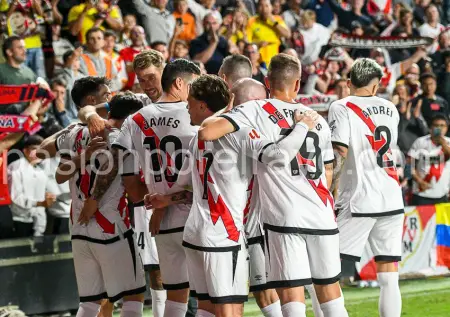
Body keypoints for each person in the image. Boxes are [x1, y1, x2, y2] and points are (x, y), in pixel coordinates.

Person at [198, 53, 348, 317]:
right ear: (298, 84)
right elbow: (328, 170)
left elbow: (208, 130)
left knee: (292, 295)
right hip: (322, 213)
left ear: (267, 82)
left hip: (284, 214)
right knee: (330, 292)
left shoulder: (253, 110)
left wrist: (228, 107)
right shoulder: (318, 120)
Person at [85, 59, 201, 317]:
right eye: (141, 78)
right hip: (193, 212)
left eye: (150, 77)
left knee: (175, 291)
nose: (146, 83)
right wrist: (91, 114)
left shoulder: (137, 116)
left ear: (166, 73)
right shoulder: (198, 112)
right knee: (209, 295)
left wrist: (154, 201)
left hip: (159, 210)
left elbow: (117, 160)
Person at [54, 92, 146, 317]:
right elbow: (134, 193)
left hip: (79, 229)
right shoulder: (124, 139)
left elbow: (58, 175)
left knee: (89, 302)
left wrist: (84, 155)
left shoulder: (74, 133)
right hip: (111, 228)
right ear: (132, 117)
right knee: (133, 297)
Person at [328, 58, 404, 317]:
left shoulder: (341, 106)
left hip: (359, 199)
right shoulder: (390, 108)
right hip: (392, 197)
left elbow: (339, 151)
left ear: (349, 83)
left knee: (327, 272)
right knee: (389, 275)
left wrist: (327, 189)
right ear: (377, 85)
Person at [8, 135, 55, 238]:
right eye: (34, 149)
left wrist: (49, 196)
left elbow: (42, 192)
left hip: (39, 222)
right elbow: (15, 196)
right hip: (20, 220)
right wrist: (39, 203)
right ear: (25, 150)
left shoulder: (41, 168)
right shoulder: (16, 167)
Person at [408, 114, 450, 205]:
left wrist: (443, 143)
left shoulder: (449, 142)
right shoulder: (420, 142)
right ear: (431, 127)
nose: (439, 128)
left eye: (442, 126)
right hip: (421, 194)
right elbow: (409, 165)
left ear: (447, 128)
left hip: (442, 195)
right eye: (436, 125)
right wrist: (419, 181)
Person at [6, 0, 46, 78]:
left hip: (36, 47)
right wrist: (15, 3)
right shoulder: (13, 15)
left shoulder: (33, 14)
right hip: (19, 49)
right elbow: (7, 16)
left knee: (40, 77)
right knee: (22, 76)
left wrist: (34, 2)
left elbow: (41, 15)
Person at [246, 0, 291, 66]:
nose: (264, 9)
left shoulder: (277, 19)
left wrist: (274, 23)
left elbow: (288, 35)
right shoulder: (252, 21)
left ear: (271, 7)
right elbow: (247, 41)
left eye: (266, 6)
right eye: (261, 5)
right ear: (257, 7)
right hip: (258, 62)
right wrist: (257, 43)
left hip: (274, 61)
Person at [0, 36, 37, 114]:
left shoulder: (29, 72)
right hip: (6, 120)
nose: (25, 51)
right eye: (20, 48)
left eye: (24, 47)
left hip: (27, 119)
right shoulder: (1, 70)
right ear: (9, 52)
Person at [119, 26, 150, 91]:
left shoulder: (150, 51)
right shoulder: (124, 51)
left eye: (139, 33)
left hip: (146, 89)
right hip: (128, 89)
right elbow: (127, 68)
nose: (137, 35)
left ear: (144, 35)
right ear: (130, 36)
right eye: (134, 33)